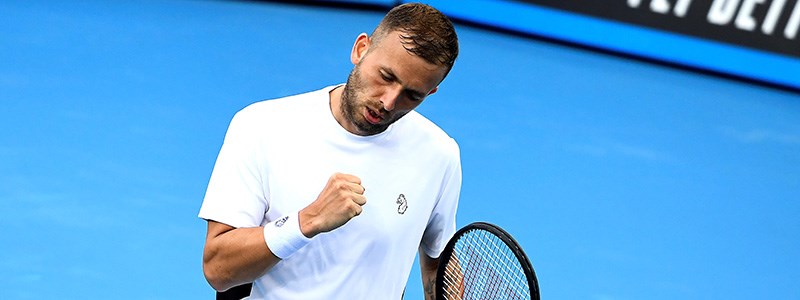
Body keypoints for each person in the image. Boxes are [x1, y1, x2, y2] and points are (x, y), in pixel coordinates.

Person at [198, 3, 461, 299]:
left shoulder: (440, 155)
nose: (389, 102)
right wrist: (306, 221)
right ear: (361, 49)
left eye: (412, 95)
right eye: (386, 76)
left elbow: (438, 269)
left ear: (431, 92)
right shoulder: (261, 126)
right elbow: (219, 270)